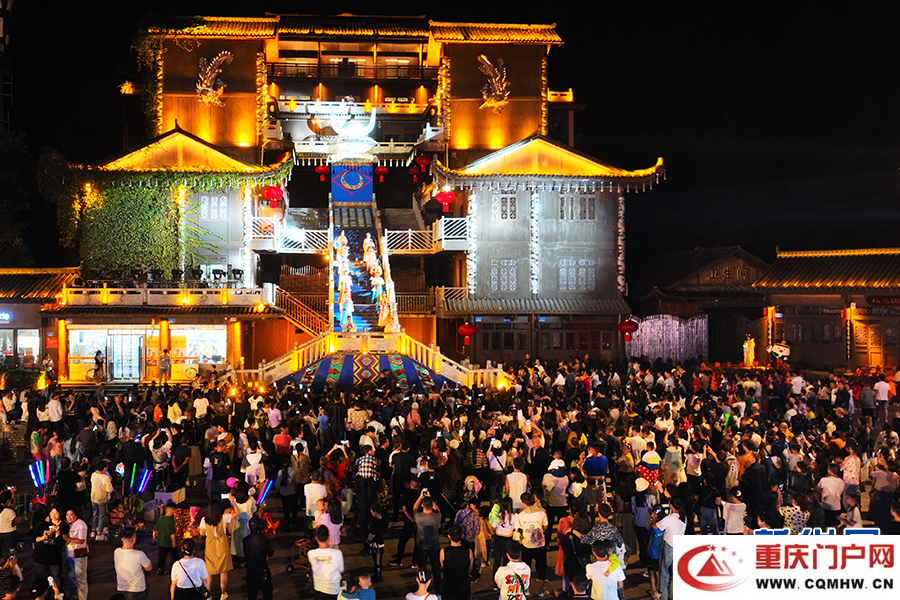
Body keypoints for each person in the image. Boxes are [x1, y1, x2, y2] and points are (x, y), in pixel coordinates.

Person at [513, 492, 548, 597]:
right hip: (540, 545)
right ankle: (541, 590)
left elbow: (519, 529)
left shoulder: (521, 515)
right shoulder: (542, 513)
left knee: (525, 568)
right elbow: (545, 526)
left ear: (524, 503)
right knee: (541, 568)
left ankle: (526, 589)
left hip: (526, 545)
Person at [652, 497, 686, 600]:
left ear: (671, 505)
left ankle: (664, 595)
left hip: (669, 546)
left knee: (664, 571)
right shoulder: (683, 517)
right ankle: (673, 594)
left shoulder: (669, 519)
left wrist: (654, 518)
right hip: (679, 546)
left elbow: (655, 527)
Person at [199, 499, 233, 599]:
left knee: (209, 570)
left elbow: (201, 533)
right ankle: (223, 593)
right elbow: (237, 513)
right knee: (223, 570)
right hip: (222, 544)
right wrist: (232, 500)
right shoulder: (224, 517)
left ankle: (209, 594)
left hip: (210, 545)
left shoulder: (204, 520)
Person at [33, 505, 67, 598]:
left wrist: (57, 532)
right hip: (40, 556)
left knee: (56, 578)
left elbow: (60, 543)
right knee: (42, 579)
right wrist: (45, 537)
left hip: (54, 558)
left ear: (60, 514)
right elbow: (35, 538)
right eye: (52, 513)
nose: (54, 515)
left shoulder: (63, 525)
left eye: (56, 513)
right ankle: (43, 596)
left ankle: (57, 596)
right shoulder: (44, 524)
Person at [413, 489, 443, 596]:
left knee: (422, 569)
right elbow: (437, 509)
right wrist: (430, 499)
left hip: (422, 547)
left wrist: (421, 497)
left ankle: (422, 589)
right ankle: (438, 591)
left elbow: (415, 508)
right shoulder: (437, 517)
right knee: (436, 570)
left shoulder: (419, 517)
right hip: (434, 547)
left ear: (422, 505)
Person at [114, 526, 152, 600]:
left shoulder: (116, 552)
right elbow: (149, 567)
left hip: (122, 588)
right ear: (134, 539)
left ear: (122, 539)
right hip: (137, 589)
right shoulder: (139, 554)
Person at [309, 525, 345, 600]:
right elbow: (341, 570)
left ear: (316, 538)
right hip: (334, 589)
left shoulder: (311, 554)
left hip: (319, 588)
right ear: (329, 536)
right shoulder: (337, 553)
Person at [243, 516, 275, 600]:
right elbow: (270, 554)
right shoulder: (264, 540)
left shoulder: (245, 540)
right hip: (263, 570)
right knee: (267, 594)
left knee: (252, 595)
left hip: (250, 571)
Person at [440, 525, 472, 600]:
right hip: (463, 585)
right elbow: (470, 567)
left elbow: (443, 566)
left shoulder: (444, 552)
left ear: (449, 536)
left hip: (449, 584)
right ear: (462, 535)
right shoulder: (468, 551)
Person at [63, 507, 89, 600]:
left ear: (76, 515)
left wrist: (68, 539)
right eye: (67, 515)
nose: (69, 517)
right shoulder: (66, 524)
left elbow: (81, 540)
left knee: (80, 577)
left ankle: (82, 597)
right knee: (71, 576)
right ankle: (73, 595)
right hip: (69, 553)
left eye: (71, 515)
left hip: (80, 552)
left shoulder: (81, 525)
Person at [90, 459, 114, 540]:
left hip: (93, 497)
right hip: (101, 498)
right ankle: (99, 533)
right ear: (104, 468)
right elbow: (109, 489)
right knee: (101, 516)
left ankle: (93, 531)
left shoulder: (93, 474)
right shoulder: (105, 477)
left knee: (94, 514)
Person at [154, 502, 177, 574]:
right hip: (168, 542)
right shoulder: (170, 520)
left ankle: (160, 569)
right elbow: (172, 533)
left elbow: (156, 530)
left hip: (161, 541)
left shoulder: (161, 518)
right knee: (175, 557)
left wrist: (157, 537)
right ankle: (175, 569)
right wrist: (173, 542)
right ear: (173, 510)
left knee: (162, 557)